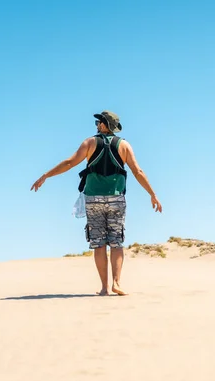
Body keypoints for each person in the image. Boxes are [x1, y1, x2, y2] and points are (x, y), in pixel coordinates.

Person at [31, 110, 162, 296]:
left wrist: (46, 175)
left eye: (98, 122)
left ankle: (104, 288)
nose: (96, 125)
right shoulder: (124, 145)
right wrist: (152, 194)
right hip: (117, 199)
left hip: (93, 199)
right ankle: (117, 283)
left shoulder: (90, 142)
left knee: (99, 243)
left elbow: (69, 163)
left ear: (103, 125)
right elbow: (137, 171)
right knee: (116, 242)